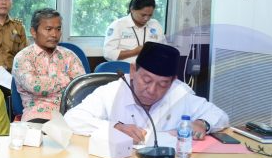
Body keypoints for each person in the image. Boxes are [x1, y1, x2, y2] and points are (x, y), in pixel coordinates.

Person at [65, 42, 229, 144]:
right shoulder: (112, 92)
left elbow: (220, 115)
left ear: (172, 81)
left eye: (162, 84)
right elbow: (72, 118)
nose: (152, 90)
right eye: (147, 80)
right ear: (133, 71)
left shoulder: (179, 93)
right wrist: (116, 127)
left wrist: (202, 123)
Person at [12, 8, 85, 123]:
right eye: (48, 29)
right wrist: (68, 80)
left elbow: (81, 86)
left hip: (71, 114)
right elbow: (35, 86)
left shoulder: (69, 55)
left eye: (58, 29)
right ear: (33, 32)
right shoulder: (23, 57)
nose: (54, 34)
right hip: (38, 115)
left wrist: (50, 82)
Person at [103, 0, 166, 64]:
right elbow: (108, 54)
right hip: (125, 69)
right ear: (132, 10)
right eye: (143, 15)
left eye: (150, 15)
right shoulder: (118, 25)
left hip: (151, 69)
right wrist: (134, 52)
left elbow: (165, 50)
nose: (146, 18)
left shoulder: (156, 25)